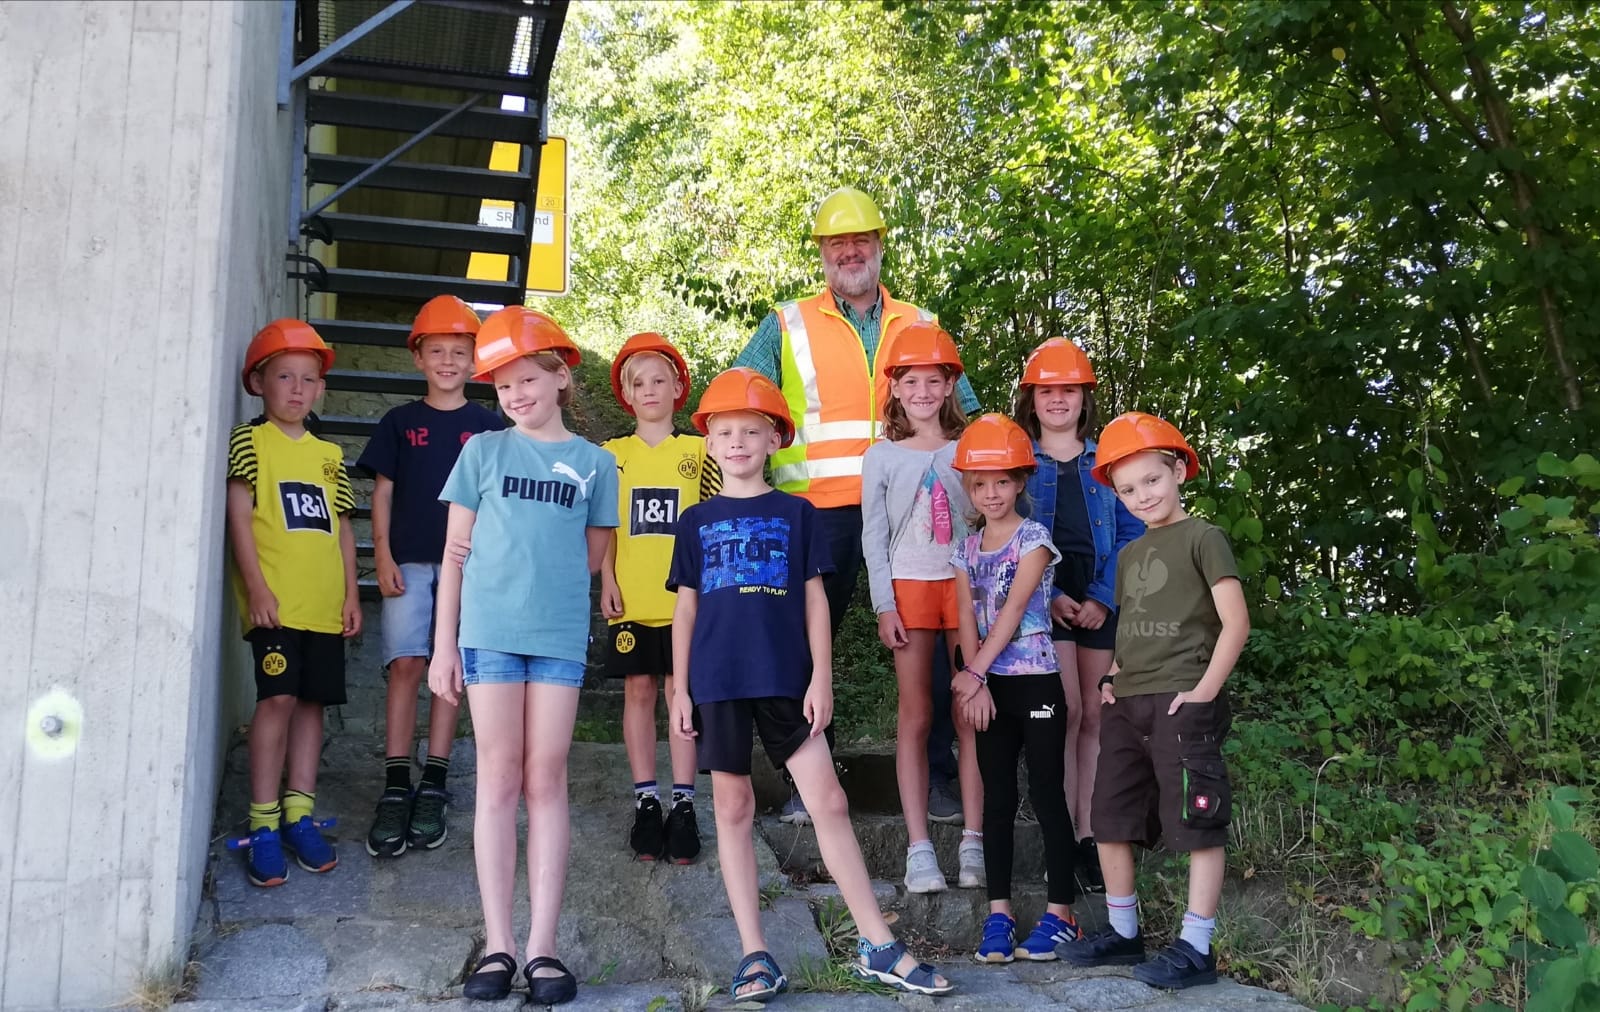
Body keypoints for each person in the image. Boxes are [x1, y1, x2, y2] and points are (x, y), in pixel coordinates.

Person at [667, 368, 954, 1001]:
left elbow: (817, 602)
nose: (737, 441)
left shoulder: (799, 515)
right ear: (709, 442)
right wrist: (680, 689)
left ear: (776, 440)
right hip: (716, 681)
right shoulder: (695, 521)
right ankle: (755, 954)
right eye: (725, 431)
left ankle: (877, 943)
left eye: (752, 430)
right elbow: (685, 610)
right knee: (733, 809)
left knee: (827, 801)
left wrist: (821, 678)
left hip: (787, 680)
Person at [733, 185, 979, 824]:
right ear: (822, 253)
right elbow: (740, 398)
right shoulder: (786, 323)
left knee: (938, 646)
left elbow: (968, 417)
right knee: (801, 645)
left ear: (878, 246)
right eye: (837, 242)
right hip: (817, 509)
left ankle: (943, 779)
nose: (850, 252)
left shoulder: (920, 325)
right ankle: (806, 782)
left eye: (860, 240)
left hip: (918, 512)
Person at [428, 307, 617, 1005]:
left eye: (526, 380)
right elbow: (454, 556)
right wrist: (444, 644)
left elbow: (591, 558)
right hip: (489, 634)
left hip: (559, 638)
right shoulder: (481, 451)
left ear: (560, 377)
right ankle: (498, 945)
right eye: (503, 386)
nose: (514, 395)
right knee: (498, 779)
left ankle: (542, 949)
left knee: (547, 778)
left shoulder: (598, 465)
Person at [1059, 412, 1250, 989]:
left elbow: (1235, 623)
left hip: (1181, 700)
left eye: (1152, 480)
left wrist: (1203, 694)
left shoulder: (1203, 537)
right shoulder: (1132, 555)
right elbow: (1133, 624)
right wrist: (1111, 677)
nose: (1142, 495)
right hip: (1128, 703)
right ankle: (1124, 932)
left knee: (1196, 820)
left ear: (1179, 472)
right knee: (1109, 817)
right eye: (1127, 488)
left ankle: (1196, 946)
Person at [359, 295, 506, 859]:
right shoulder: (400, 422)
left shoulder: (489, 427)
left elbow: (499, 501)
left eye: (460, 351)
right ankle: (398, 784)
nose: (448, 360)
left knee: (451, 671)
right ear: (418, 357)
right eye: (437, 350)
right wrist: (384, 555)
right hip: (412, 561)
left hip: (469, 570)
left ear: (476, 361)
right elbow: (383, 493)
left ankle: (435, 782)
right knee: (406, 666)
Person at [225, 320, 360, 887]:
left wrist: (353, 593)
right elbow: (239, 515)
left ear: (320, 389)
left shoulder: (330, 454)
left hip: (324, 604)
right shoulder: (250, 442)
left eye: (309, 379)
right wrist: (256, 587)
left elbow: (343, 530)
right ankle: (263, 822)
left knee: (312, 705)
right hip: (276, 606)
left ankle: (300, 815)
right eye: (285, 376)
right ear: (259, 382)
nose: (297, 389)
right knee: (277, 698)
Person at [948, 414, 1083, 963]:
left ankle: (1062, 914)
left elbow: (1009, 614)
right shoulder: (965, 548)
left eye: (1002, 481)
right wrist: (976, 685)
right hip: (990, 691)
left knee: (1048, 794)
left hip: (1037, 683)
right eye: (979, 484)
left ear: (1021, 481)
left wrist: (973, 673)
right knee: (997, 800)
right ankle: (998, 913)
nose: (991, 493)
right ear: (969, 490)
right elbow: (966, 618)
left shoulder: (1035, 539)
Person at [1012, 338, 1143, 893]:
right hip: (1044, 595)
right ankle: (1059, 832)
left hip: (1097, 597)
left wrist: (1102, 596)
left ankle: (1090, 836)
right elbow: (1008, 534)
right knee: (1061, 713)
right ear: (1032, 399)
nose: (1058, 400)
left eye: (1068, 390)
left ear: (1084, 397)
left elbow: (1133, 532)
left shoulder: (1107, 460)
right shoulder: (1019, 458)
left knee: (1095, 713)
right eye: (1047, 391)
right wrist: (1049, 594)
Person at [859, 323, 984, 894]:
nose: (924, 392)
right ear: (896, 389)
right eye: (912, 381)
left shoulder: (970, 449)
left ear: (950, 386)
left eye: (934, 381)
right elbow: (873, 536)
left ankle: (975, 842)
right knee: (916, 715)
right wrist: (884, 603)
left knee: (968, 714)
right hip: (908, 589)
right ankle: (918, 849)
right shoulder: (880, 456)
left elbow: (986, 522)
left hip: (961, 590)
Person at [599, 332, 720, 863]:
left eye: (658, 380)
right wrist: (606, 578)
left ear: (679, 387)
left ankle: (685, 803)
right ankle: (647, 799)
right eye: (637, 382)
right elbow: (603, 526)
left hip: (686, 603)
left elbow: (716, 525)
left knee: (681, 695)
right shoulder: (610, 456)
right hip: (631, 598)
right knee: (638, 691)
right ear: (626, 394)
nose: (649, 390)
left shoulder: (699, 451)